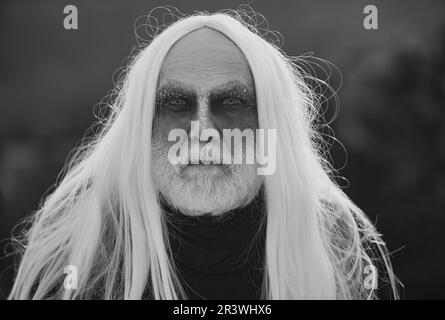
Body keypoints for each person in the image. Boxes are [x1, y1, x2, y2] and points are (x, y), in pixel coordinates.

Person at [9, 10, 398, 300]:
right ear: (141, 128)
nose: (202, 131)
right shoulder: (76, 252)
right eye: (176, 102)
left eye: (231, 102)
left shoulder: (342, 253)